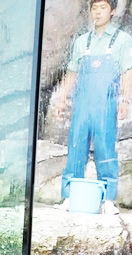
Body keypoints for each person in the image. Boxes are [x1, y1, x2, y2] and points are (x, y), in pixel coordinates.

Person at [56, 0, 132, 214]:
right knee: (75, 146)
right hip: (82, 104)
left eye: (103, 8)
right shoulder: (82, 41)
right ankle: (69, 196)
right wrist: (63, 98)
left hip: (106, 103)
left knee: (105, 147)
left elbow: (128, 71)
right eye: (94, 8)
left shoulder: (122, 40)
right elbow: (72, 72)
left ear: (113, 11)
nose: (97, 12)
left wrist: (125, 100)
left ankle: (108, 199)